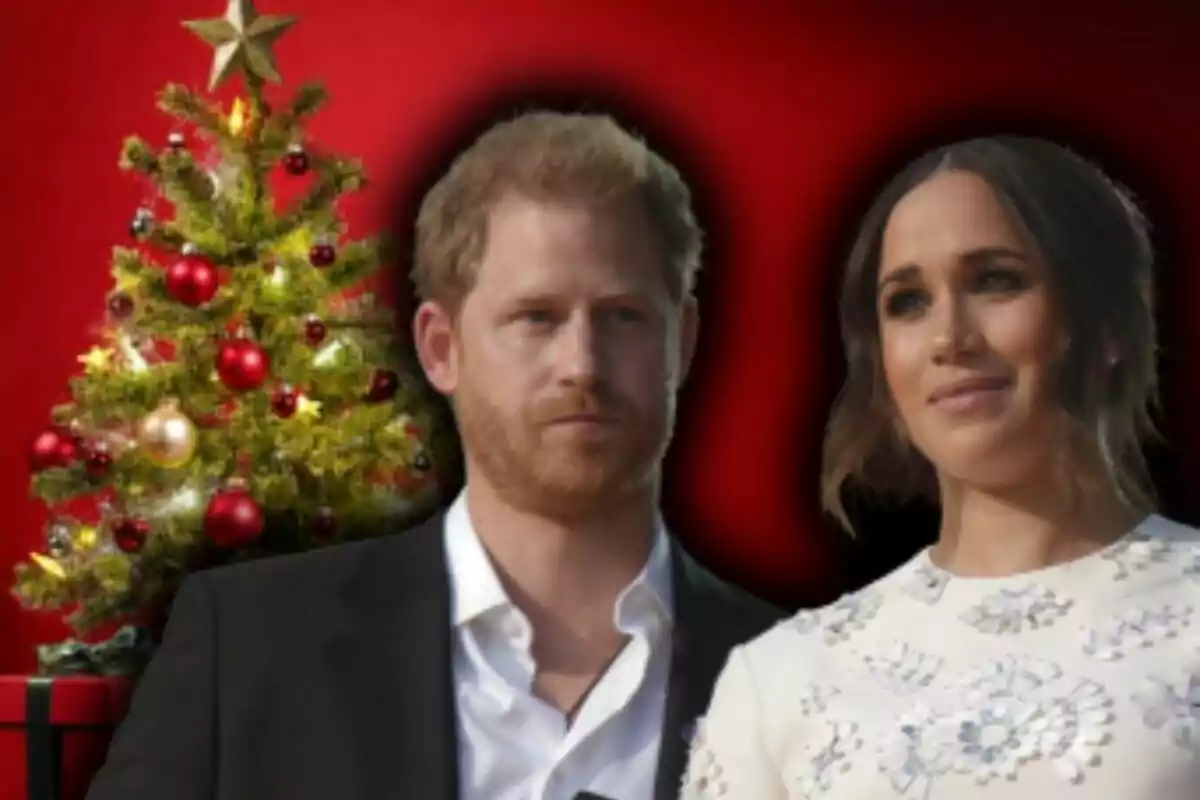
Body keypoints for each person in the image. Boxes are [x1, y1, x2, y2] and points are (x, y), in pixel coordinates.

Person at [84, 110, 781, 800]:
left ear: (681, 343)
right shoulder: (247, 651)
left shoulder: (799, 673)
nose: (582, 364)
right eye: (536, 317)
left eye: (623, 316)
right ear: (441, 348)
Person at [680, 136, 1200, 799]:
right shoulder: (782, 677)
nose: (950, 337)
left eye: (995, 281)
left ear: (1108, 327)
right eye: (908, 301)